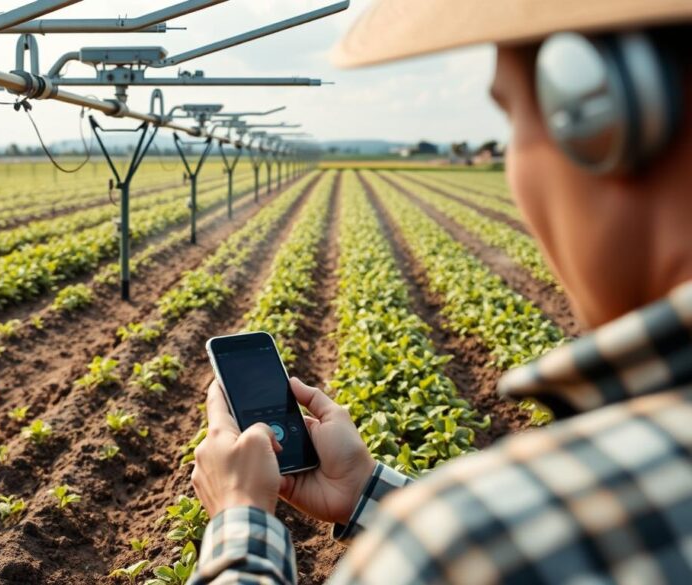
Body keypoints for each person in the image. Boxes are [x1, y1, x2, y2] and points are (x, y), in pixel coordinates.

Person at [189, 0, 692, 583]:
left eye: (516, 116)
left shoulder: (454, 545)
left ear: (606, 118)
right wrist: (364, 493)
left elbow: (484, 550)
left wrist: (239, 517)